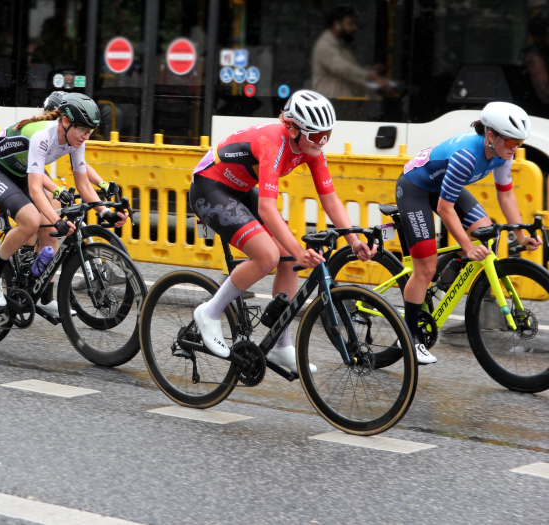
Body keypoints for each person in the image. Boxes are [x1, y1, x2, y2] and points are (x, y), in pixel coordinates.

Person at [189, 90, 376, 373]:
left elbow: (330, 199)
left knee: (290, 259)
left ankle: (281, 346)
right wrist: (301, 251)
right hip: (209, 188)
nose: (321, 142)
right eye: (315, 136)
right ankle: (210, 311)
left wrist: (353, 240)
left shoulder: (310, 149)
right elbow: (267, 208)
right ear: (292, 128)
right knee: (267, 256)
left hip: (238, 190)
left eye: (327, 135)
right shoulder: (274, 140)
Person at [396, 102, 540, 364]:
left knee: (487, 233)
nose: (515, 147)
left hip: (443, 186)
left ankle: (450, 269)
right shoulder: (467, 156)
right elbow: (445, 208)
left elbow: (506, 194)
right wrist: (467, 245)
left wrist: (520, 235)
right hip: (416, 189)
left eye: (519, 142)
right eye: (510, 141)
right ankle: (409, 335)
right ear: (490, 135)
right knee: (425, 268)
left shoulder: (502, 153)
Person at [0, 93, 127, 317]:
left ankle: (45, 297)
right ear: (65, 121)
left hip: (19, 172)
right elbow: (36, 189)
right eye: (83, 129)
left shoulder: (76, 139)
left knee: (50, 231)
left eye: (90, 131)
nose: (86, 136)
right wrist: (57, 220)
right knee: (32, 221)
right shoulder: (42, 136)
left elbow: (83, 183)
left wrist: (105, 212)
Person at [310, 6, 389, 99]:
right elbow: (345, 69)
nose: (354, 28)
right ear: (337, 24)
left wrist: (369, 71)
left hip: (343, 104)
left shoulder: (341, 45)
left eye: (355, 23)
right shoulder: (325, 45)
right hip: (332, 104)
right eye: (350, 24)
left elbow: (350, 69)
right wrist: (372, 77)